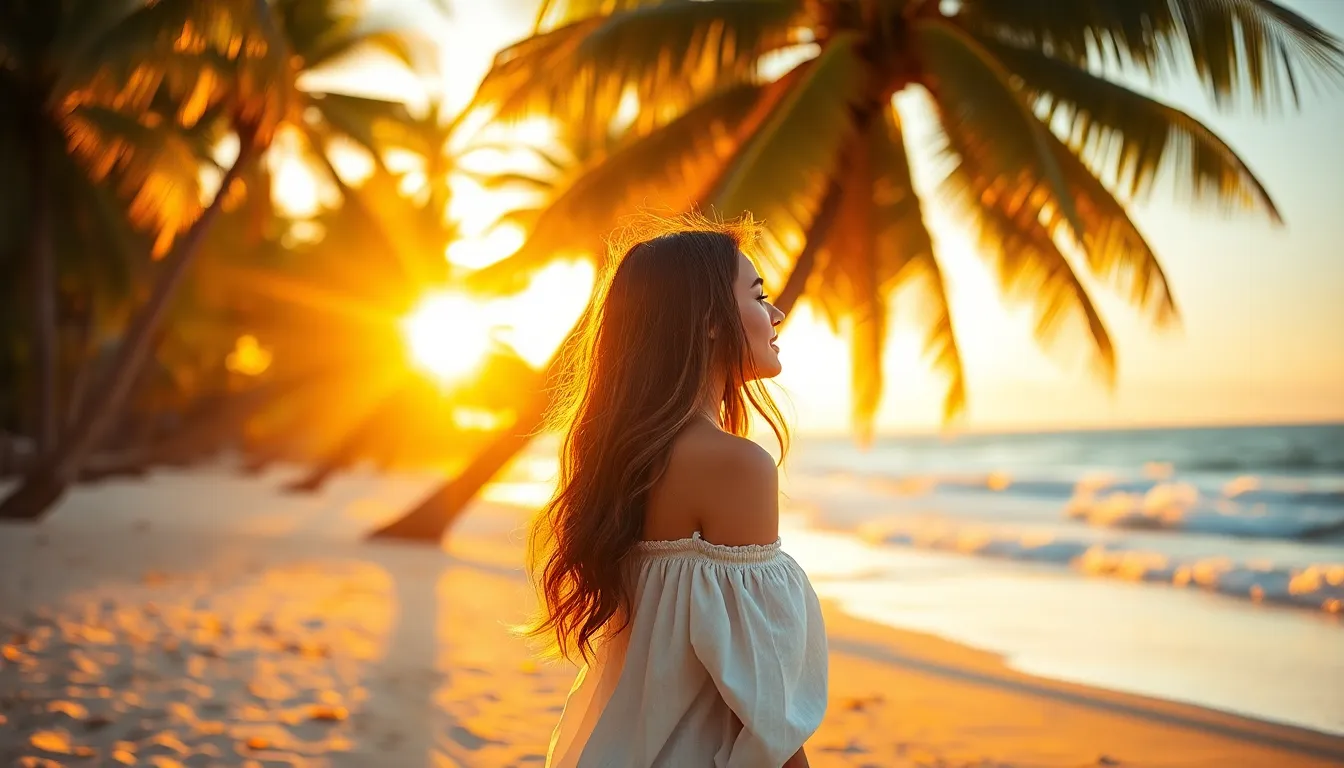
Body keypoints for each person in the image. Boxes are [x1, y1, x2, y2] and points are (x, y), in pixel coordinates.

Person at [523, 216, 828, 767]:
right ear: (710, 321)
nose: (776, 314)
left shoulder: (628, 459)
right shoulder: (736, 466)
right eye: (759, 296)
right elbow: (764, 709)